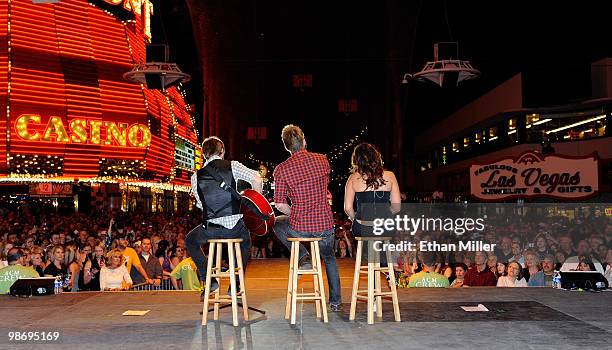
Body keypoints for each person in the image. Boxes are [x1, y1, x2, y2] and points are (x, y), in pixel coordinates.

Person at [272, 125, 342, 311]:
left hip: (299, 228)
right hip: (324, 225)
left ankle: (304, 257)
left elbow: (279, 205)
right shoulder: (322, 160)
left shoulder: (281, 170)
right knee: (329, 258)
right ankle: (335, 302)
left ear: (286, 147)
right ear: (304, 141)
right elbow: (323, 187)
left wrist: (296, 213)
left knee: (276, 222)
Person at [186, 136, 263, 300]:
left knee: (190, 241)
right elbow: (257, 178)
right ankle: (235, 283)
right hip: (235, 228)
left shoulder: (195, 176)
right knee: (246, 242)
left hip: (211, 231)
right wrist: (256, 199)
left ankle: (209, 279)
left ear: (204, 154)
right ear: (222, 151)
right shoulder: (233, 166)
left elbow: (201, 205)